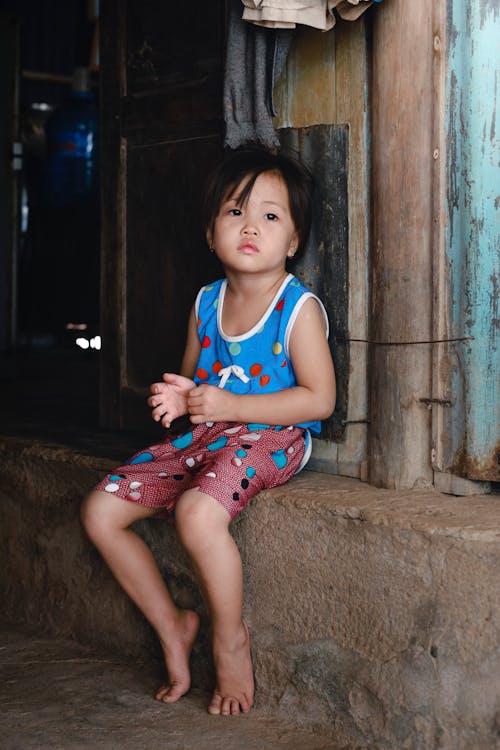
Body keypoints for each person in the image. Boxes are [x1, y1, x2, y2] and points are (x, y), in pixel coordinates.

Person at [80, 146, 336, 717]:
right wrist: (179, 397)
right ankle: (173, 625)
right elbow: (198, 381)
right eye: (235, 212)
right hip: (211, 435)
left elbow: (319, 399)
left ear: (293, 241)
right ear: (210, 231)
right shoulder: (205, 302)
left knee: (199, 513)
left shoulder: (297, 310)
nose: (251, 227)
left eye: (271, 216)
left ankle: (229, 639)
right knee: (100, 510)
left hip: (275, 436)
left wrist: (231, 402)